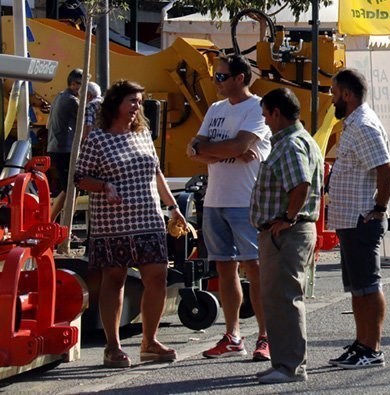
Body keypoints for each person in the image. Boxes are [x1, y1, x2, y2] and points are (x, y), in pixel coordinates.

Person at [75, 80, 186, 368]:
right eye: (133, 101)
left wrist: (173, 208)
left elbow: (157, 173)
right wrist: (103, 187)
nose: (137, 106)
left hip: (149, 217)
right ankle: (112, 347)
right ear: (116, 104)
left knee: (158, 277)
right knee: (114, 280)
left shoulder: (144, 134)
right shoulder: (97, 139)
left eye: (140, 101)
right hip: (113, 223)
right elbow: (79, 177)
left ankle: (150, 342)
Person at [189, 55, 272, 361]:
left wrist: (218, 150)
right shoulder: (215, 109)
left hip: (245, 199)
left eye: (221, 77)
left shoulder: (257, 108)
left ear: (240, 78)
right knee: (225, 268)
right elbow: (194, 148)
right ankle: (233, 334)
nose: (216, 82)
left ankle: (266, 335)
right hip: (215, 199)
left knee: (255, 268)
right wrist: (226, 151)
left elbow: (240, 145)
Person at [250, 87, 322, 383]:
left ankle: (290, 366)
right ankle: (284, 362)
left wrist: (288, 218)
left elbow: (300, 185)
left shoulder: (290, 143)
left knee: (284, 298)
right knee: (280, 298)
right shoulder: (301, 139)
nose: (265, 120)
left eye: (266, 114)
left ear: (277, 113)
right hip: (289, 231)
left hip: (286, 233)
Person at [326, 69, 390, 371]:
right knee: (357, 288)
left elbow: (386, 170)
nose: (331, 98)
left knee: (368, 285)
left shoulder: (364, 125)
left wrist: (379, 208)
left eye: (333, 92)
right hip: (349, 219)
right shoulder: (353, 123)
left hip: (361, 218)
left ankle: (373, 347)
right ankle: (361, 342)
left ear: (347, 95)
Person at [46, 68, 83, 196]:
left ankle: (55, 215)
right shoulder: (73, 101)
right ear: (74, 84)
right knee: (73, 189)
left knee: (67, 189)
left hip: (55, 147)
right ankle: (65, 215)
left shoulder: (59, 97)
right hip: (64, 150)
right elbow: (87, 121)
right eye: (83, 85)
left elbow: (47, 124)